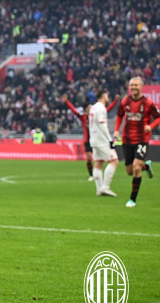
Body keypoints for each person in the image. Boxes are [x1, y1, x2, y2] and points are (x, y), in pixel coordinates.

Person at [114, 77, 160, 207]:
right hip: (127, 139)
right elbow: (119, 115)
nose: (134, 87)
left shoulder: (148, 102)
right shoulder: (125, 101)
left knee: (136, 166)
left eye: (136, 85)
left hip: (141, 139)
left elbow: (158, 117)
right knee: (129, 171)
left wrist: (151, 126)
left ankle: (132, 200)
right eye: (132, 85)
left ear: (141, 87)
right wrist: (116, 130)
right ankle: (147, 167)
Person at [63, 94, 118, 181]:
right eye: (89, 107)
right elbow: (73, 110)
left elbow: (108, 109)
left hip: (97, 139)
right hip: (87, 140)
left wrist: (115, 101)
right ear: (86, 109)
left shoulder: (96, 115)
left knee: (101, 159)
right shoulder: (83, 117)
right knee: (89, 158)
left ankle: (104, 173)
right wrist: (66, 101)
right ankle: (92, 175)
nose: (91, 108)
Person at [88, 91, 118, 197]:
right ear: (104, 96)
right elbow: (102, 125)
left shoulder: (93, 107)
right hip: (101, 139)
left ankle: (99, 190)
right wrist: (109, 140)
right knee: (114, 161)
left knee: (98, 162)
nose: (108, 97)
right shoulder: (101, 108)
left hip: (93, 139)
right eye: (107, 96)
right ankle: (105, 187)